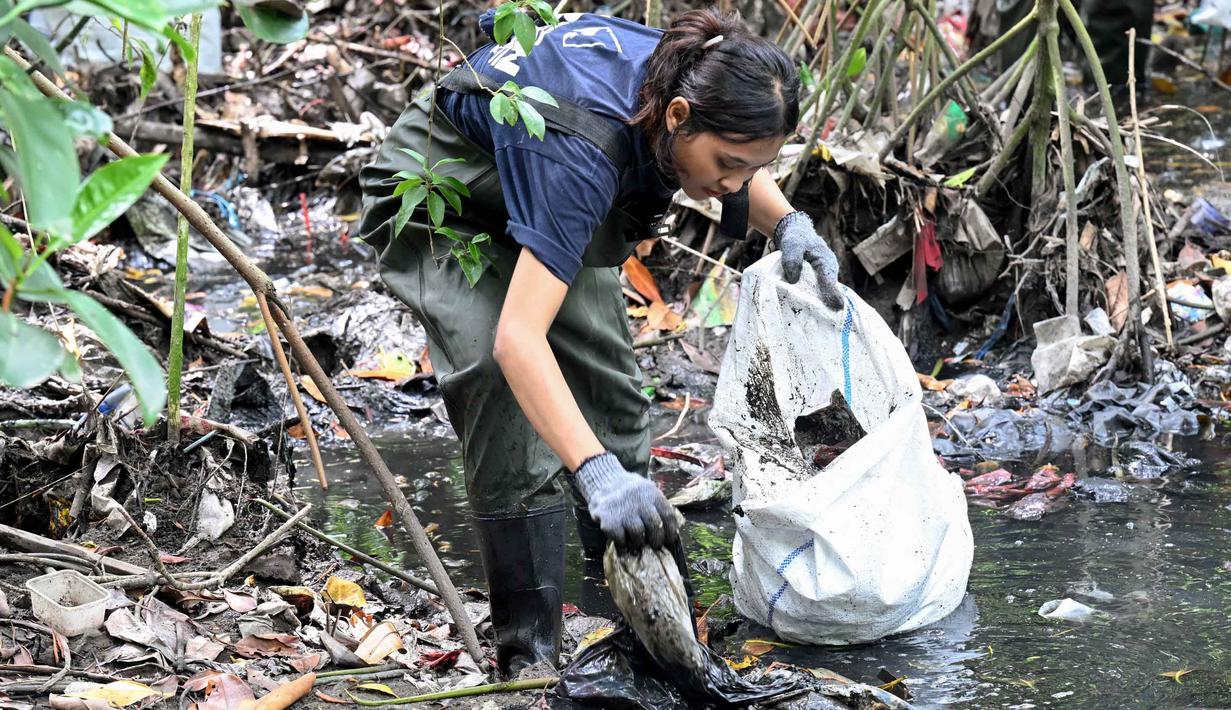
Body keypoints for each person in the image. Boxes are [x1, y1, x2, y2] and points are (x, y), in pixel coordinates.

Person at [358, 6, 843, 676]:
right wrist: (593, 474)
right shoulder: (583, 156)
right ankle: (530, 656)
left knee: (609, 400)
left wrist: (788, 223)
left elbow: (738, 154)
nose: (732, 184)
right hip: (444, 187)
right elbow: (517, 342)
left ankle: (643, 633)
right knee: (504, 393)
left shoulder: (693, 70)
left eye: (752, 167)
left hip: (541, 180)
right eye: (727, 164)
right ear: (675, 116)